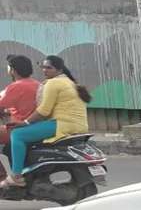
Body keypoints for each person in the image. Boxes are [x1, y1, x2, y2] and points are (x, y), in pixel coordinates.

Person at [1, 54, 90, 188]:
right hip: (77, 125)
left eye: (49, 68)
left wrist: (24, 123)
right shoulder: (67, 82)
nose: (44, 70)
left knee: (17, 134)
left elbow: (44, 111)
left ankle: (16, 176)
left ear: (59, 69)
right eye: (43, 67)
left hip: (62, 124)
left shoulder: (53, 83)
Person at [0, 55, 41, 181]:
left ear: (13, 70)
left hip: (18, 128)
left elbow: (1, 103)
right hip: (36, 126)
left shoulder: (16, 86)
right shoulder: (37, 84)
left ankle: (2, 176)